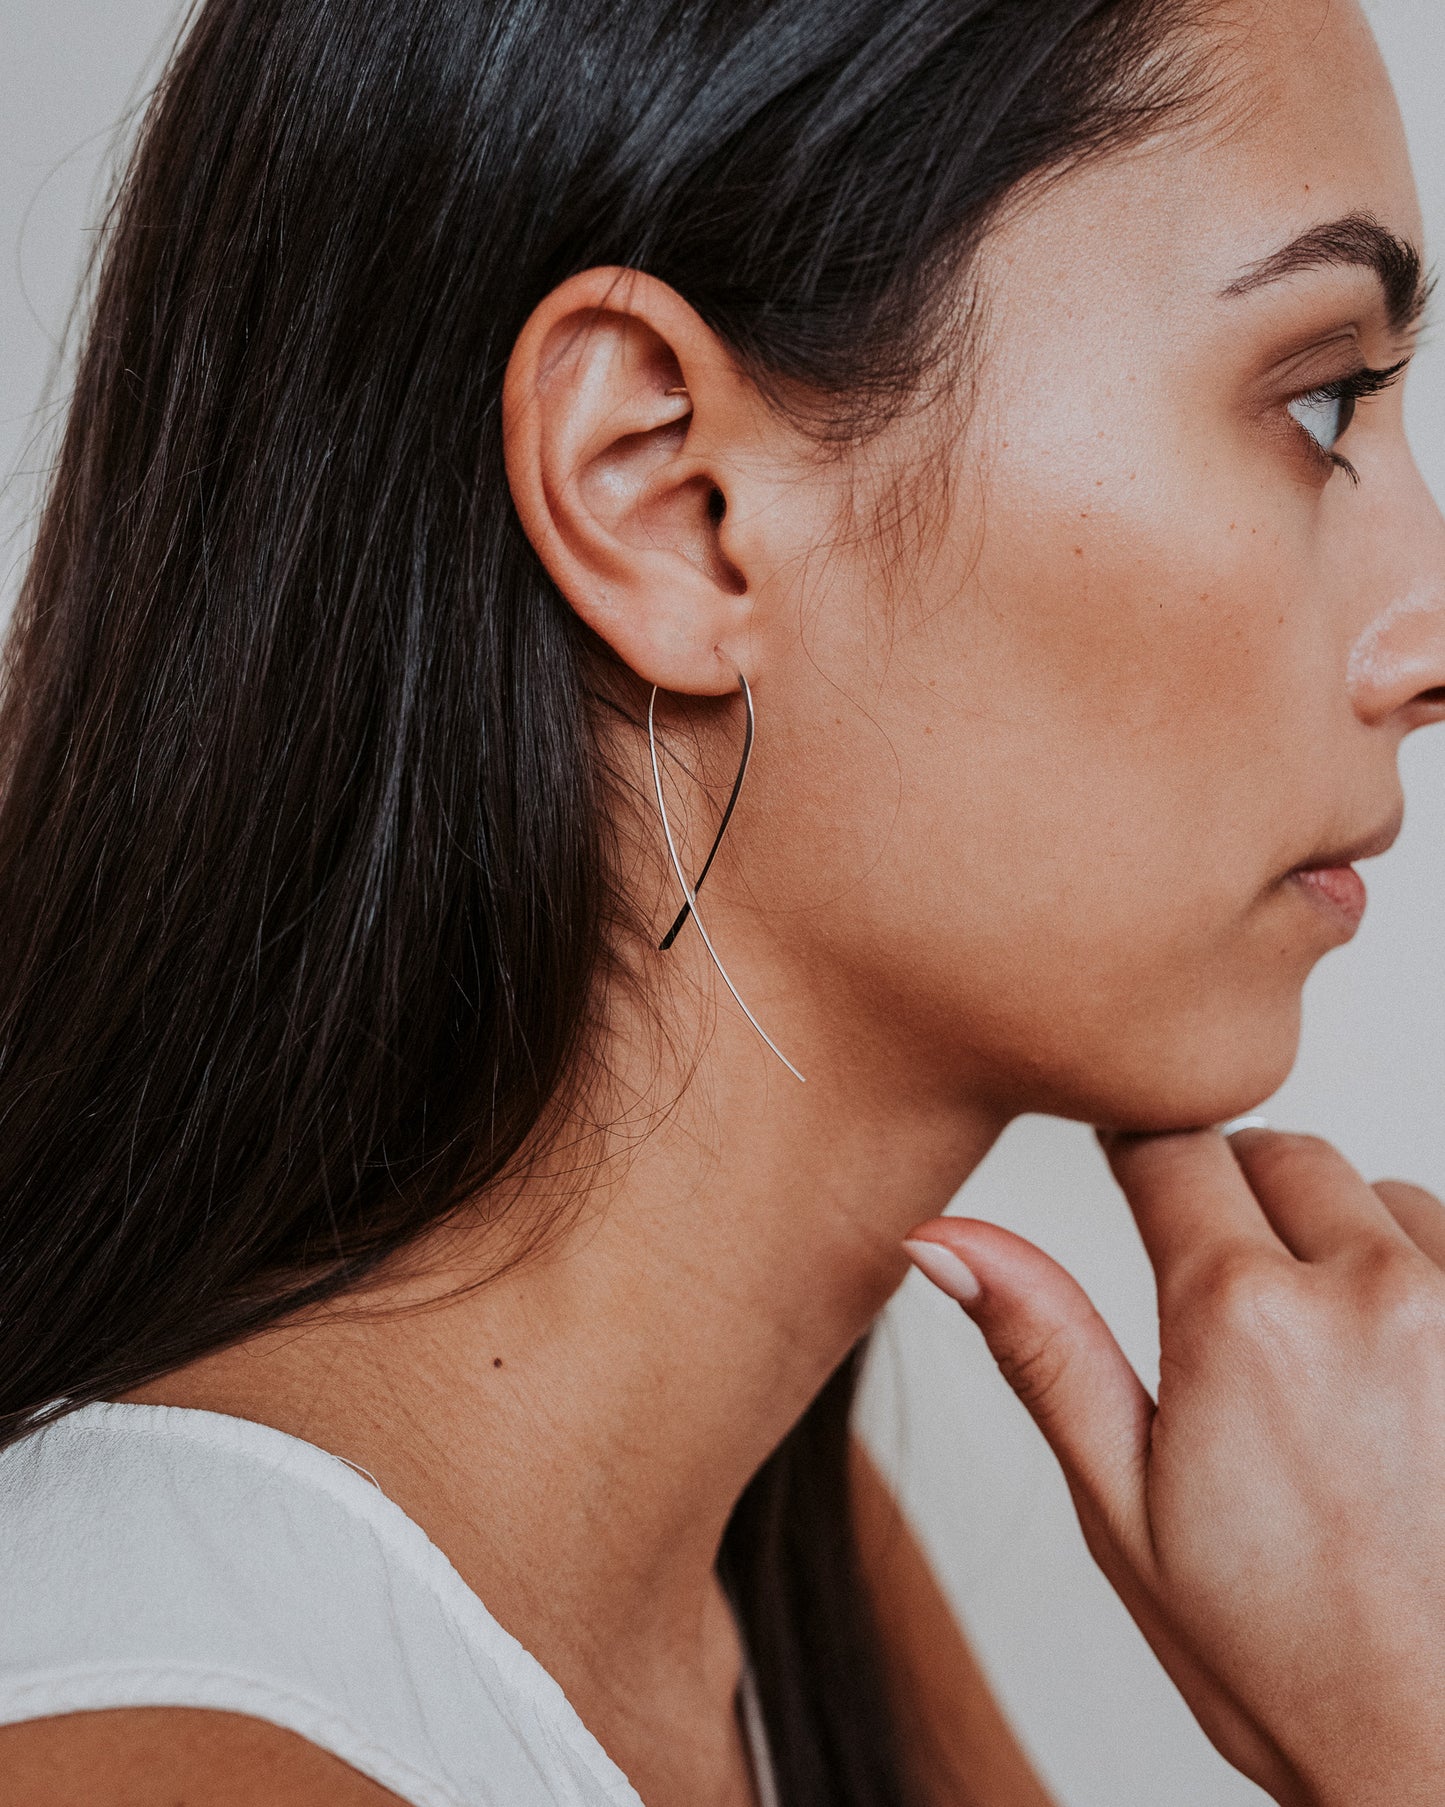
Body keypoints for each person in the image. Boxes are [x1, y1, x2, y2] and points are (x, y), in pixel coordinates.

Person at [0, 0, 1443, 1802]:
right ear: (665, 495)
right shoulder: (170, 1757)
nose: (1426, 638)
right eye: (1318, 402)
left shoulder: (753, 1576)